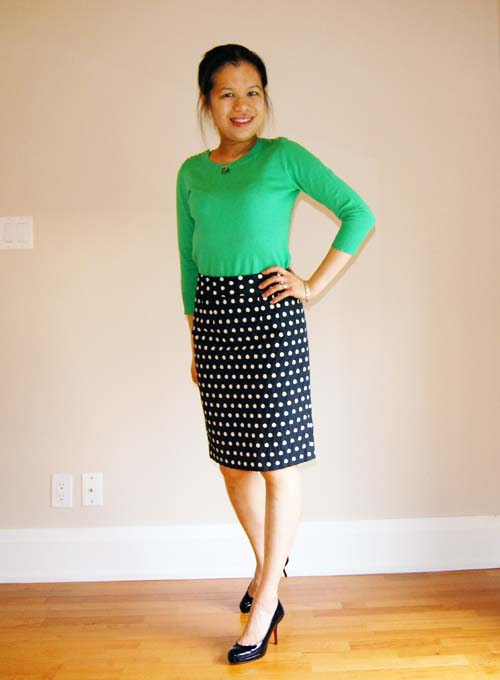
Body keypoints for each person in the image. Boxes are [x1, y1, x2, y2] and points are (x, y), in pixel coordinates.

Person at [176, 43, 376, 665]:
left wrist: (310, 286)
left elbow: (358, 214)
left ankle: (265, 599)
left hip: (269, 318)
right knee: (233, 463)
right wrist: (195, 339)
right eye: (227, 93)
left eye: (253, 92)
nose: (242, 105)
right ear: (207, 101)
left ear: (265, 98)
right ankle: (270, 570)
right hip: (214, 318)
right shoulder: (191, 172)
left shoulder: (284, 156)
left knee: (277, 465)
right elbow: (188, 261)